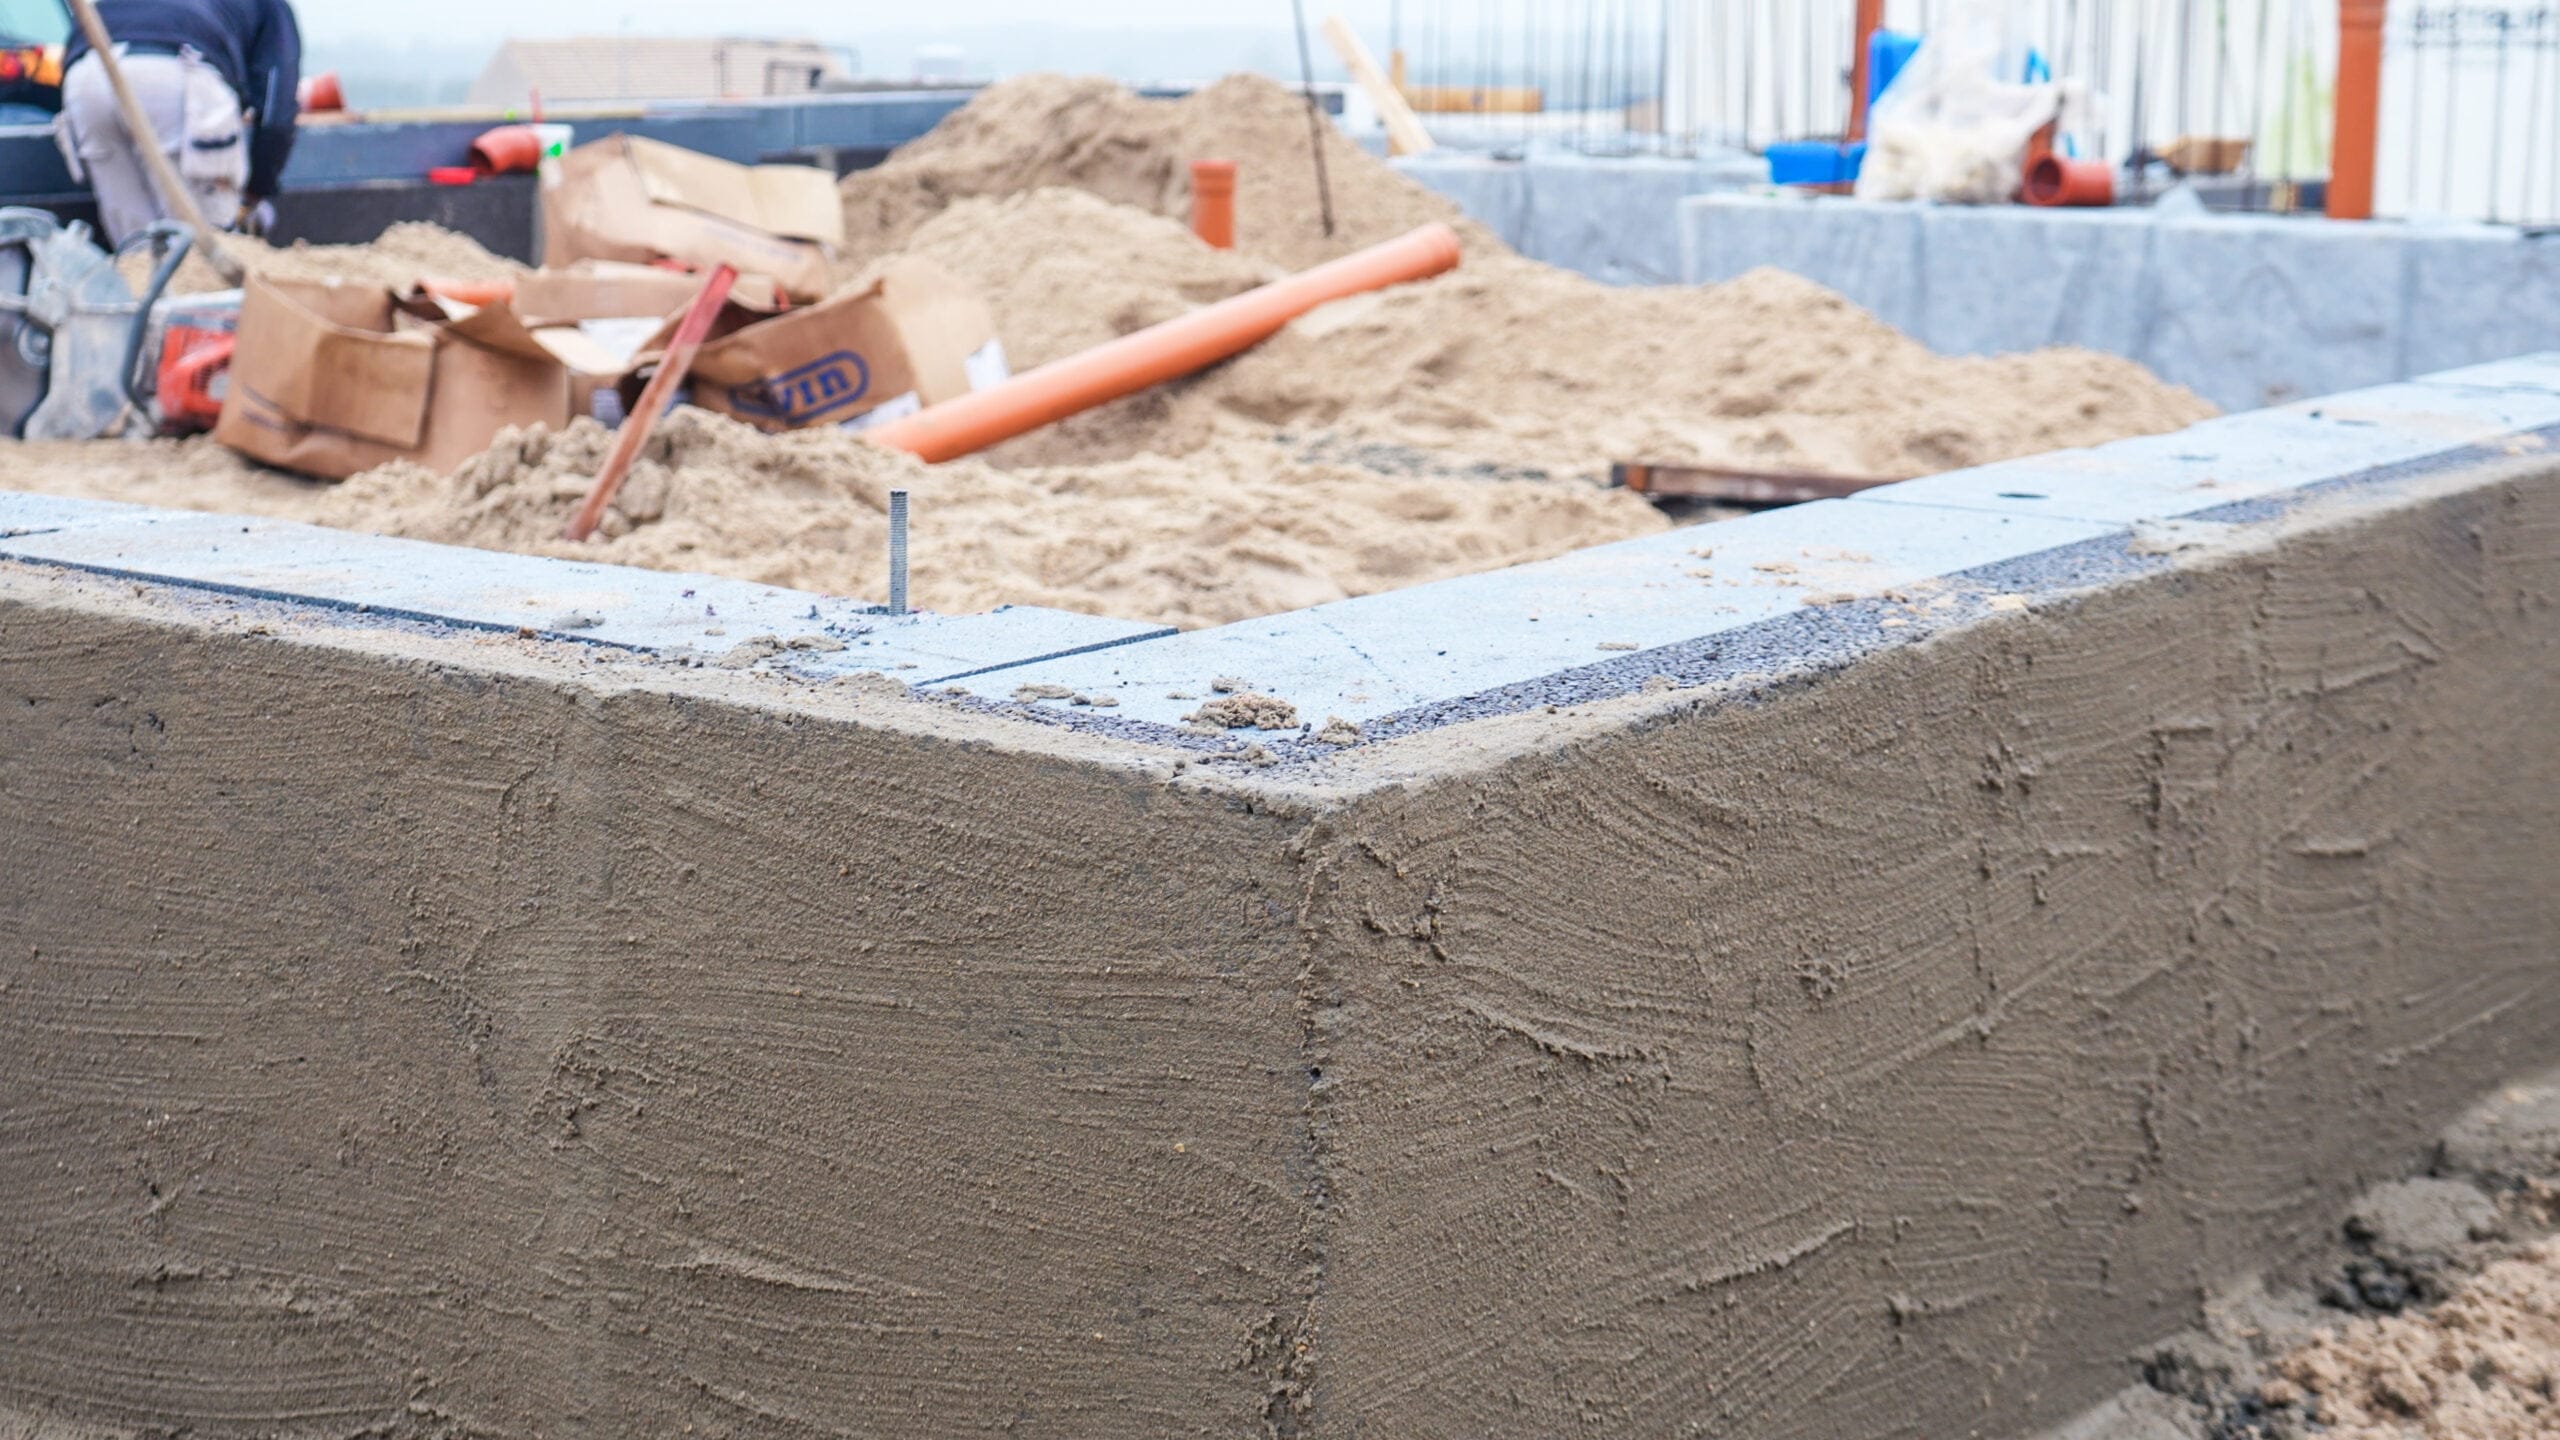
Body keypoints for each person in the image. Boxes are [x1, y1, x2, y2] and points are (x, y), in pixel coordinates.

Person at [54, 0, 297, 245]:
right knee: (202, 253)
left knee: (136, 249)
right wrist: (256, 190)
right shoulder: (271, 7)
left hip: (87, 77)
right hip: (175, 73)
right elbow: (276, 112)